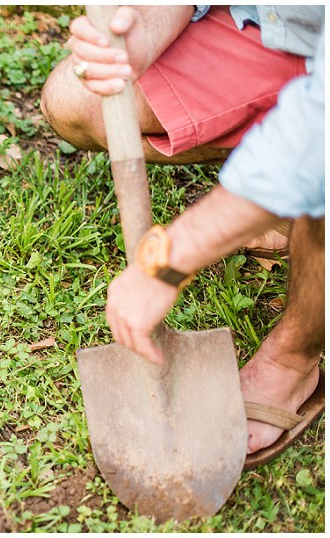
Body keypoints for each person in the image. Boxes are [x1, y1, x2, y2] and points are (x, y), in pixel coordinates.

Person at [43, 6, 325, 469]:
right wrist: (144, 34)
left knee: (320, 170)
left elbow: (318, 130)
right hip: (269, 28)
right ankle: (267, 195)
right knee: (78, 98)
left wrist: (166, 263)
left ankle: (292, 361)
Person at [41, 6, 324, 262]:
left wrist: (172, 266)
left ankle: (291, 191)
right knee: (79, 100)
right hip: (260, 23)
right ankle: (283, 189)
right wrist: (147, 32)